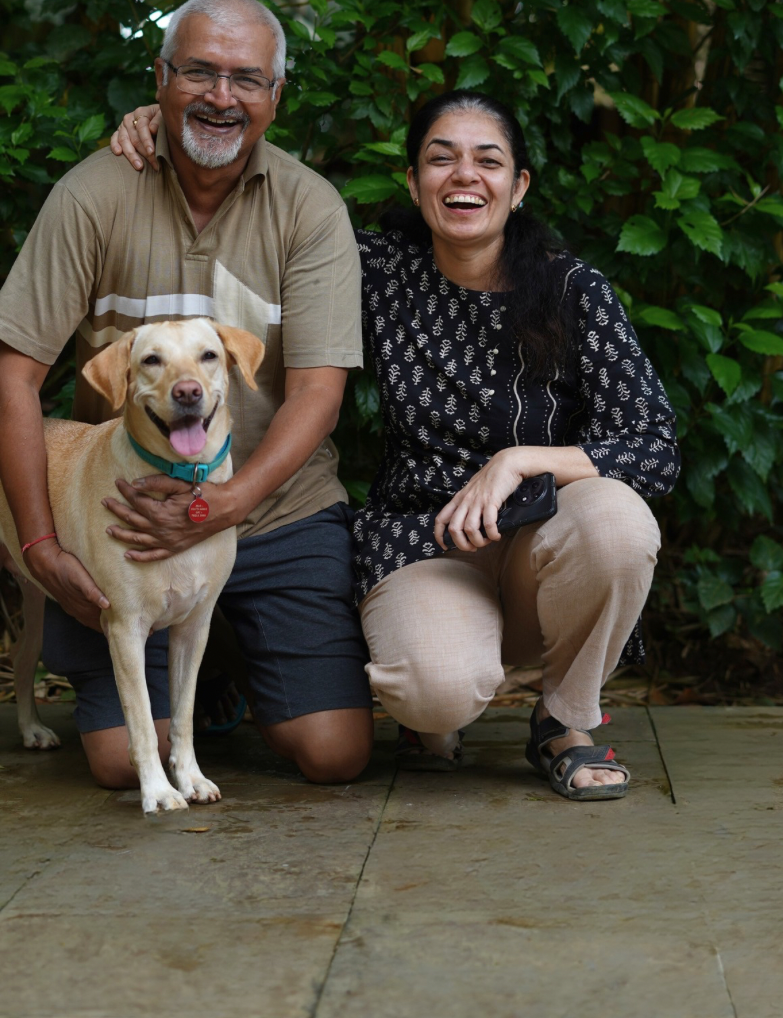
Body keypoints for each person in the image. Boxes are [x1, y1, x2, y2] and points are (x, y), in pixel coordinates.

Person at [113, 88, 680, 801]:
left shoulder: (573, 290)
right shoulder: (377, 270)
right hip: (423, 538)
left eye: (489, 161)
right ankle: (434, 710)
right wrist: (178, 129)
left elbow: (653, 446)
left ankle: (565, 719)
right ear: (414, 183)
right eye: (441, 159)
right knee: (436, 692)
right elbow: (270, 211)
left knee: (619, 522)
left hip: (547, 542)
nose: (465, 175)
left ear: (519, 186)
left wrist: (519, 461)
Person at [0, 0, 373, 790]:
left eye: (246, 79)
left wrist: (226, 504)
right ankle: (192, 674)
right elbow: (11, 375)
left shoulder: (309, 208)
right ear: (159, 79)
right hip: (124, 512)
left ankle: (229, 659)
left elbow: (318, 395)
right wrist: (41, 545)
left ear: (276, 96)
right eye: (198, 72)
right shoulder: (93, 195)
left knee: (334, 753)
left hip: (275, 507)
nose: (222, 96)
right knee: (124, 764)